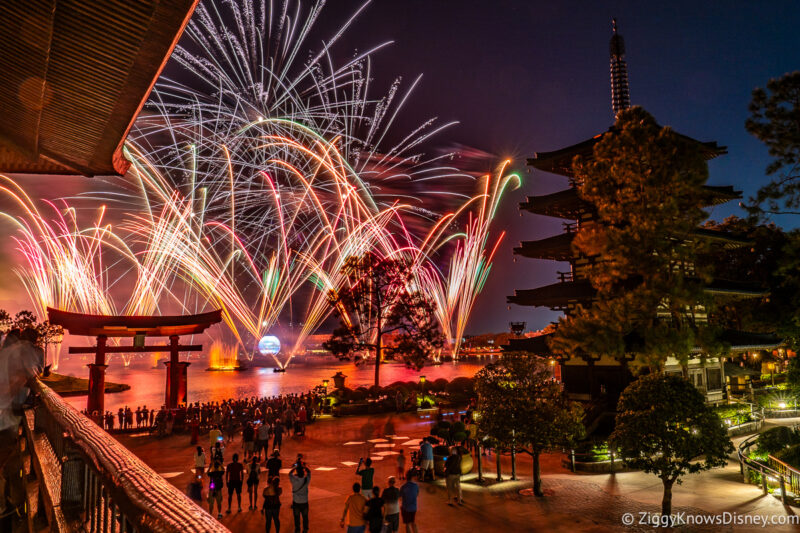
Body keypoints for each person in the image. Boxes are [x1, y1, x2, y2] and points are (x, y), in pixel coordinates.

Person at [289, 459, 311, 533]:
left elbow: (289, 474)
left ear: (297, 472)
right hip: (304, 502)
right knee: (305, 517)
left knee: (296, 517)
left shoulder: (294, 480)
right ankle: (305, 529)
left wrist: (295, 467)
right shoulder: (306, 480)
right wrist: (304, 467)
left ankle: (297, 529)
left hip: (296, 502)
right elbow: (309, 472)